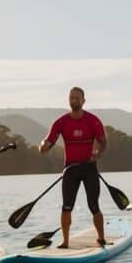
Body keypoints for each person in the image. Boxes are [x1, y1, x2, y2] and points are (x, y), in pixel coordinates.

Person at [39, 87, 108, 248]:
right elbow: (48, 141)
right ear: (68, 100)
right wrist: (43, 146)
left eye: (77, 98)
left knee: (94, 205)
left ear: (83, 101)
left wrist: (96, 153)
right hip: (70, 169)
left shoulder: (93, 120)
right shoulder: (61, 122)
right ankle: (65, 241)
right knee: (66, 206)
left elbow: (104, 142)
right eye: (72, 98)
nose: (74, 101)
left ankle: (101, 237)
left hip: (89, 168)